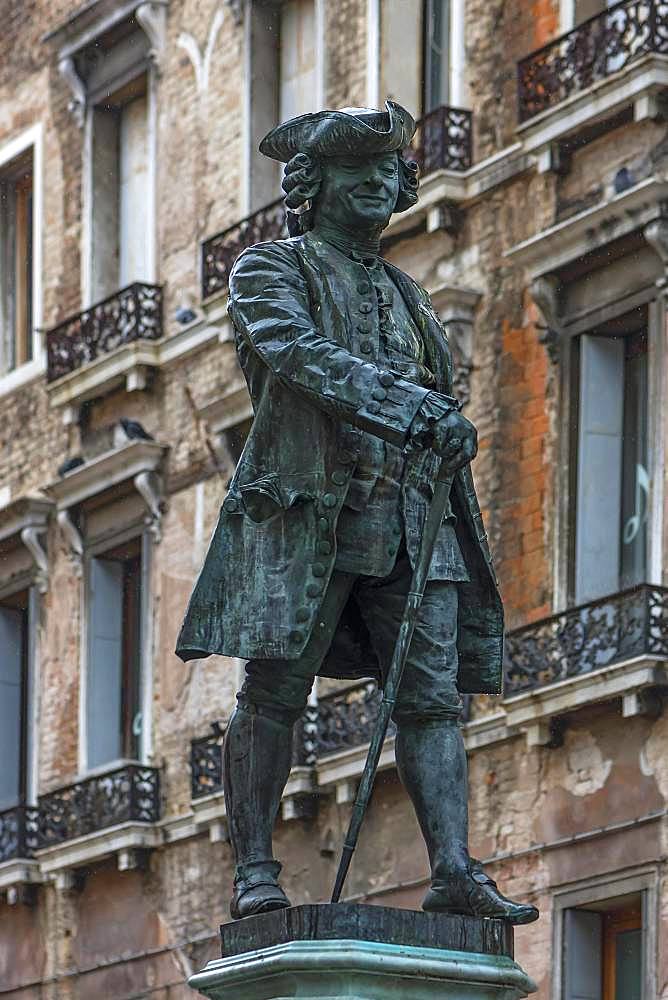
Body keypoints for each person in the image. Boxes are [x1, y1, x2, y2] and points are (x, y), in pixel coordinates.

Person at [176, 101, 538, 925]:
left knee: (433, 697)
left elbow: (439, 395)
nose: (378, 184)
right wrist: (416, 411)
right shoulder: (269, 272)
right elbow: (300, 357)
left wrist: (446, 428)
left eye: (388, 173)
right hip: (310, 516)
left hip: (417, 520)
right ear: (315, 184)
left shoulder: (412, 298)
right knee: (274, 691)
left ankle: (451, 866)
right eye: (357, 172)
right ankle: (256, 872)